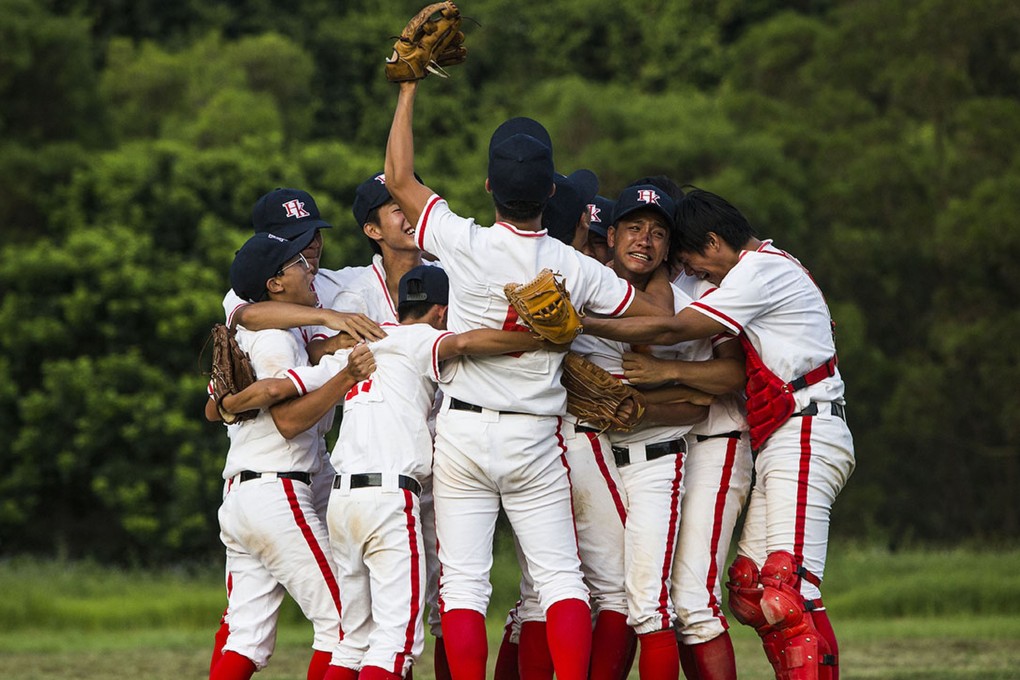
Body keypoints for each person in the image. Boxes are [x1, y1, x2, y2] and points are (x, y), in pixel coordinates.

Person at [383, 78, 672, 680]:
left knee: (463, 588)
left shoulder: (463, 242)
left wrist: (408, 89)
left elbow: (399, 179)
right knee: (561, 578)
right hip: (536, 435)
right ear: (550, 190)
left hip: (462, 430)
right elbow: (658, 319)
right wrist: (579, 321)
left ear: (489, 184)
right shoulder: (572, 266)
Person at [224, 265, 555, 679]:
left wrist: (225, 404)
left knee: (352, 642)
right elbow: (469, 342)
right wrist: (540, 338)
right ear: (440, 312)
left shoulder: (360, 347)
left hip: (342, 504)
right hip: (389, 502)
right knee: (396, 643)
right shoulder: (424, 338)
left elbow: (287, 380)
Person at [584, 188, 855, 680]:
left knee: (786, 591)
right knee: (753, 592)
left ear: (712, 242)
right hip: (784, 431)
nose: (697, 272)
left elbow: (671, 331)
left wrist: (582, 324)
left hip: (805, 427)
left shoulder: (756, 272)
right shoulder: (759, 266)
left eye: (692, 259)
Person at [210, 229, 372, 680]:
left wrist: (227, 404)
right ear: (275, 284)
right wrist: (343, 377)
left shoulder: (255, 335)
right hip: (277, 492)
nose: (310, 266)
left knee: (245, 639)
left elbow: (211, 407)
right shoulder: (277, 340)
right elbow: (286, 417)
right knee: (346, 624)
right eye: (298, 263)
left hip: (240, 500)